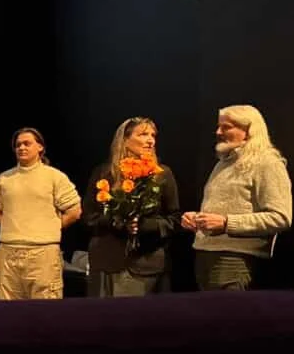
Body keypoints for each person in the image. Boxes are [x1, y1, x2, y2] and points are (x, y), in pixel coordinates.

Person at [183, 105, 292, 290]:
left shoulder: (268, 163)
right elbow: (221, 210)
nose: (218, 132)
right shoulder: (223, 164)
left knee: (227, 309)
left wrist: (227, 223)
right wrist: (196, 219)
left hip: (236, 259)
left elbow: (281, 217)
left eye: (226, 127)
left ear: (249, 131)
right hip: (205, 254)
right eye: (219, 126)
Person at [82, 118, 181, 297]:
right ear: (125, 140)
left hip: (144, 263)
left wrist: (144, 225)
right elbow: (89, 217)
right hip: (106, 261)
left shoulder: (162, 174)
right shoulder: (104, 173)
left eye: (153, 135)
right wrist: (117, 222)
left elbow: (174, 220)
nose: (150, 140)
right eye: (143, 134)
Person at [0, 127, 81, 300]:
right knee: (7, 308)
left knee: (45, 307)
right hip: (9, 253)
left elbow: (74, 211)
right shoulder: (4, 179)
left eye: (27, 144)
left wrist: (50, 227)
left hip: (43, 253)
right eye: (18, 145)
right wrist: (16, 226)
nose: (21, 148)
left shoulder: (55, 177)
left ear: (40, 147)